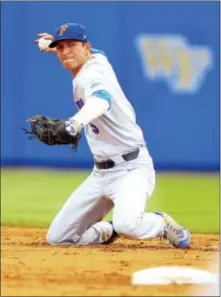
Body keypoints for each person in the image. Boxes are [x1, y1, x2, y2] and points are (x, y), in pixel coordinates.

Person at [35, 22, 191, 248]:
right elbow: (89, 52)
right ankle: (107, 230)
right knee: (58, 238)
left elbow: (102, 100)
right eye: (61, 48)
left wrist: (74, 123)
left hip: (132, 168)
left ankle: (160, 224)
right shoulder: (98, 59)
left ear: (86, 47)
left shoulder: (93, 75)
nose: (65, 51)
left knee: (129, 224)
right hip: (100, 174)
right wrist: (50, 45)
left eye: (72, 45)